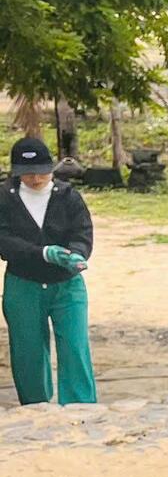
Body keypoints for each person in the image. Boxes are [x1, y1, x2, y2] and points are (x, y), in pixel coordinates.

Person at [0, 134, 97, 405]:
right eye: (27, 173)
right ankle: (35, 405)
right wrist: (42, 253)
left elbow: (83, 231)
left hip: (66, 284)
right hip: (23, 283)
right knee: (28, 349)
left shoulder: (67, 196)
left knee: (75, 347)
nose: (35, 178)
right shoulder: (5, 198)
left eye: (40, 171)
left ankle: (80, 406)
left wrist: (76, 253)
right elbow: (4, 241)